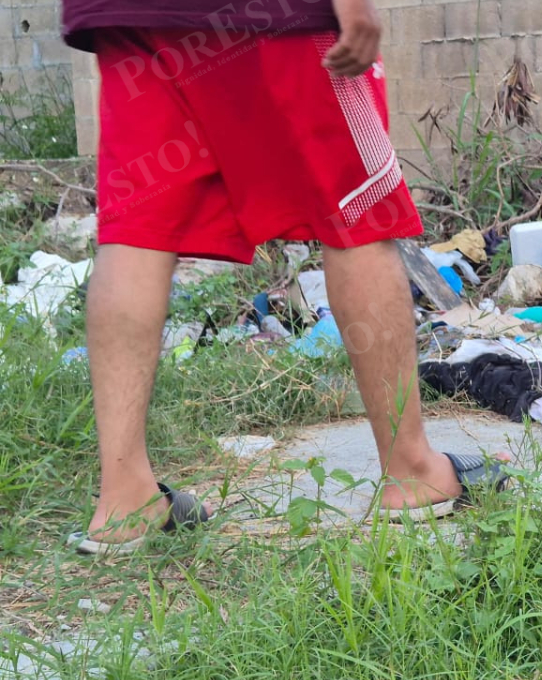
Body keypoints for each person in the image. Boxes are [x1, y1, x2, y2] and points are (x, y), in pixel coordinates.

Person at [59, 0, 510, 555]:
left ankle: (125, 499)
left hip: (126, 15)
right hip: (277, 16)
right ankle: (413, 468)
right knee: (358, 216)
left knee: (137, 229)